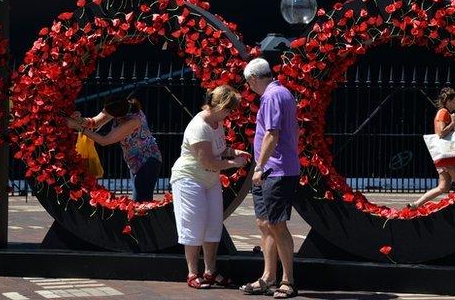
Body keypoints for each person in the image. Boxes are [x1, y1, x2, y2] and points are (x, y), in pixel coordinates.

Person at [169, 85, 251, 289]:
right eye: (229, 109)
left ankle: (210, 271)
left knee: (213, 225)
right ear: (220, 106)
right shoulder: (199, 126)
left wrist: (235, 152)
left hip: (210, 180)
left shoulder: (216, 122)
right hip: (190, 178)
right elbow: (207, 161)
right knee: (194, 225)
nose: (230, 114)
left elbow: (220, 149)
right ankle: (192, 272)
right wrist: (233, 164)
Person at [240, 58, 300, 299]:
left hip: (274, 171)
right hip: (275, 169)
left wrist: (260, 166)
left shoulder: (272, 96)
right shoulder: (282, 93)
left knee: (276, 224)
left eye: (248, 83)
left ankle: (287, 281)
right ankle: (268, 277)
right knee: (265, 224)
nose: (249, 88)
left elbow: (271, 134)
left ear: (254, 79)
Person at [67, 95, 162, 202]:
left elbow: (104, 140)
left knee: (140, 202)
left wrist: (78, 126)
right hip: (135, 162)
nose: (105, 113)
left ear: (118, 115)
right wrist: (79, 120)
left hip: (148, 161)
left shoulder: (133, 121)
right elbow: (95, 122)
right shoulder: (119, 106)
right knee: (139, 201)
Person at [408, 87, 455, 209]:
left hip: (445, 156)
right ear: (448, 101)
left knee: (443, 187)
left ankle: (416, 204)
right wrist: (453, 122)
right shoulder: (443, 112)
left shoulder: (445, 113)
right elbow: (441, 132)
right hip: (449, 157)